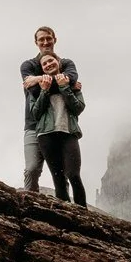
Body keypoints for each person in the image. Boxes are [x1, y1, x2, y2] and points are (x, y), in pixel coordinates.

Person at [20, 26, 80, 193]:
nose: (45, 42)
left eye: (48, 38)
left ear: (54, 39)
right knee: (32, 169)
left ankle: (65, 208)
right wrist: (61, 83)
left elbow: (71, 79)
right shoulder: (28, 65)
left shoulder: (66, 63)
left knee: (62, 173)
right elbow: (34, 90)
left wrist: (38, 80)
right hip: (34, 123)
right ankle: (29, 207)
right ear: (36, 42)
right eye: (41, 39)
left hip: (60, 125)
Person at [26, 50, 87, 206]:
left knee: (73, 174)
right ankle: (66, 216)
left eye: (51, 61)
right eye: (44, 63)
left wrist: (64, 87)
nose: (48, 64)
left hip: (69, 133)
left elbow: (78, 108)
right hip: (46, 135)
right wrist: (45, 90)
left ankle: (83, 214)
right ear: (42, 69)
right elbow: (35, 113)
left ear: (59, 62)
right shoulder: (36, 88)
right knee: (58, 177)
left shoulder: (72, 85)